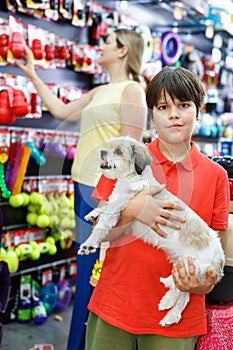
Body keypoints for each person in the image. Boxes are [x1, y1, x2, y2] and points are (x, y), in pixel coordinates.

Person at [17, 29, 148, 350]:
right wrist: (33, 74)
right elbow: (61, 112)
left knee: (94, 274)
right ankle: (79, 343)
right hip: (82, 187)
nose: (99, 46)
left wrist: (115, 203)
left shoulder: (133, 91)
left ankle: (85, 344)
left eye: (106, 42)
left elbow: (131, 151)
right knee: (86, 273)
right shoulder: (101, 90)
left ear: (121, 51)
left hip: (103, 194)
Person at [85, 66, 230, 350]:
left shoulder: (216, 176)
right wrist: (134, 209)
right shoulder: (124, 158)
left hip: (176, 323)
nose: (173, 114)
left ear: (198, 112)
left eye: (183, 105)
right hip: (115, 305)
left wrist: (198, 284)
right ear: (152, 115)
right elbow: (99, 231)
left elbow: (214, 256)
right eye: (163, 107)